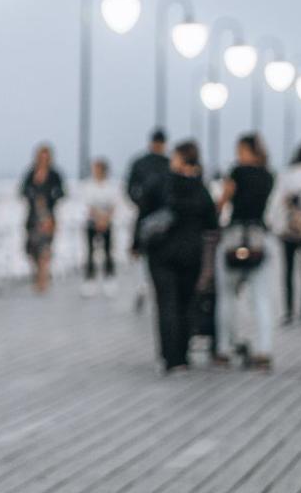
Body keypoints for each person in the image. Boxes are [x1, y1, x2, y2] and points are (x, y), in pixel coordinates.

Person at [142, 139, 219, 373]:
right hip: (191, 254)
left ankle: (169, 356)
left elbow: (144, 213)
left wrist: (137, 244)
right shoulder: (200, 188)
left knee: (166, 303)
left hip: (161, 253)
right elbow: (212, 223)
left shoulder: (162, 183)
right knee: (186, 303)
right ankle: (183, 356)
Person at [215, 133, 277, 370]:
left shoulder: (237, 172)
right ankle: (264, 349)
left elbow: (222, 202)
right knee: (261, 298)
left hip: (234, 236)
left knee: (227, 296)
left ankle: (224, 348)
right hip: (258, 238)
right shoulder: (268, 175)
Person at [269, 144, 301, 326]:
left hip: (289, 226)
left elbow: (277, 201)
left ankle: (289, 311)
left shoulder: (288, 174)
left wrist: (275, 224)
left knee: (288, 270)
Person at [125, 129, 170, 312]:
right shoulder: (168, 164)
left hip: (145, 215)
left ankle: (143, 286)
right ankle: (149, 287)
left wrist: (139, 202)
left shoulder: (139, 163)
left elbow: (129, 189)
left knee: (141, 251)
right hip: (163, 217)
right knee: (154, 252)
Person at [20, 144, 66, 293]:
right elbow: (23, 191)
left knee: (45, 248)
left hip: (48, 216)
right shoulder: (31, 173)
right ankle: (39, 274)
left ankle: (43, 279)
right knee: (32, 248)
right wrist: (34, 195)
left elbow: (61, 192)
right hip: (33, 216)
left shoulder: (54, 174)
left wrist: (50, 197)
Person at [76, 157, 124, 295]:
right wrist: (98, 218)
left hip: (107, 222)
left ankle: (109, 277)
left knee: (108, 251)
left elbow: (114, 204)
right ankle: (89, 279)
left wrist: (105, 219)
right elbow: (88, 205)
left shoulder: (111, 186)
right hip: (92, 222)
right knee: (90, 252)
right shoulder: (88, 186)